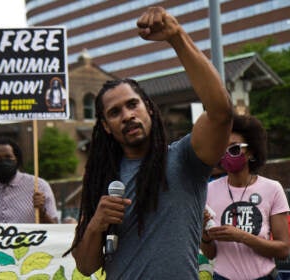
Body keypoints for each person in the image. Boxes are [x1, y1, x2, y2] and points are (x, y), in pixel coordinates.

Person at [65, 6, 233, 279]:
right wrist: (97, 223)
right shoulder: (102, 180)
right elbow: (85, 266)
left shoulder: (186, 160)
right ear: (106, 127)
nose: (127, 115)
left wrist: (176, 36)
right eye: (115, 112)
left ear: (149, 109)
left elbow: (221, 112)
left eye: (133, 104)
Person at [201, 114, 290, 280]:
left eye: (234, 148)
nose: (227, 154)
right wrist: (204, 234)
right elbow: (210, 254)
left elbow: (283, 250)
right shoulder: (208, 191)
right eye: (222, 149)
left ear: (251, 152)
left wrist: (241, 236)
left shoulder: (272, 189)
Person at [0, 137, 58, 223]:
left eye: (8, 157)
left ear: (17, 160)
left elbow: (55, 228)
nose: (3, 161)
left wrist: (41, 211)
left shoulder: (38, 186)